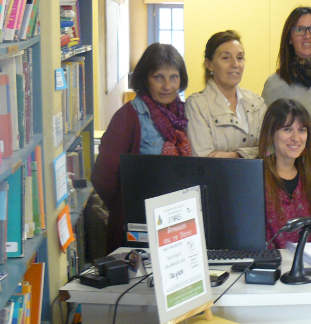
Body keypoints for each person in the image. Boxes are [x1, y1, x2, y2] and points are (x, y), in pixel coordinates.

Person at [92, 43, 191, 252]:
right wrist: (124, 206)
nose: (167, 86)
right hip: (139, 224)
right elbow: (102, 175)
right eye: (158, 77)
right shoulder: (128, 117)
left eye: (173, 77)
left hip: (177, 220)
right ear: (145, 78)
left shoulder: (181, 114)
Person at [186, 30, 266, 159]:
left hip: (256, 179)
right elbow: (204, 161)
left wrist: (235, 155)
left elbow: (271, 150)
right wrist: (253, 154)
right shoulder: (197, 105)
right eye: (226, 58)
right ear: (209, 64)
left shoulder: (257, 103)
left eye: (240, 58)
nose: (235, 64)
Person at [258, 98, 311, 249]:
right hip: (270, 266)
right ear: (271, 133)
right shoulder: (256, 179)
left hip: (307, 263)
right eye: (287, 129)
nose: (296, 138)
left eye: (302, 130)